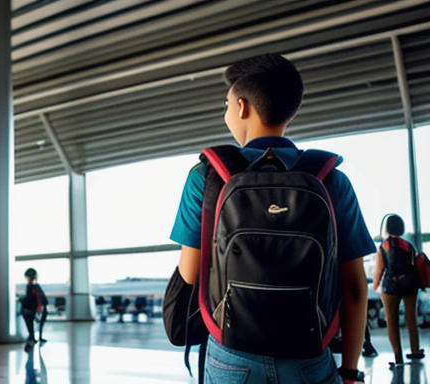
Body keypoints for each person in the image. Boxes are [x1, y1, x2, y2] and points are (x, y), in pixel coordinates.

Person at [170, 53, 375, 383]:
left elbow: (191, 272)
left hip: (231, 355)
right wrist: (349, 371)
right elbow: (353, 287)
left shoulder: (207, 176)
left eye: (226, 105)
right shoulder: (330, 179)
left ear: (240, 106)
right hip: (309, 355)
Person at [373, 214, 425, 368]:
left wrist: (376, 285)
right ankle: (415, 351)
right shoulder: (408, 245)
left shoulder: (384, 246)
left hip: (391, 287)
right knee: (411, 320)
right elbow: (414, 265)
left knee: (392, 322)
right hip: (410, 285)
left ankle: (398, 357)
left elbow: (379, 270)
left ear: (387, 228)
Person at [21, 268, 48, 350]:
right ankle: (36, 337)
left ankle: (32, 338)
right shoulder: (36, 287)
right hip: (38, 309)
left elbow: (29, 299)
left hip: (33, 309)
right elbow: (42, 298)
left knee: (30, 324)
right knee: (37, 324)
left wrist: (21, 300)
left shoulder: (30, 287)